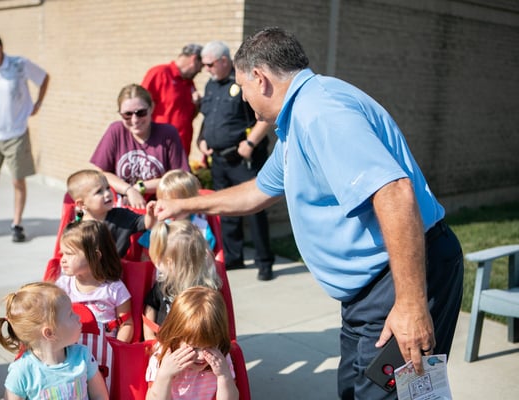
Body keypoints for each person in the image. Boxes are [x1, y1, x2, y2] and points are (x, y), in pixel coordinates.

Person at [155, 27, 464, 399]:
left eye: (243, 88)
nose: (245, 100)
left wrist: (411, 304)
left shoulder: (322, 112)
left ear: (260, 78)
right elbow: (256, 192)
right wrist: (183, 205)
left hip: (398, 281)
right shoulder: (297, 118)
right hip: (366, 295)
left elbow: (395, 193)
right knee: (354, 391)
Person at [197, 40, 274, 281]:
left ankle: (264, 262)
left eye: (209, 64)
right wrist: (202, 139)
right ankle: (234, 256)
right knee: (226, 209)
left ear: (222, 61)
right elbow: (207, 118)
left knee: (254, 210)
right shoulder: (211, 85)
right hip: (219, 160)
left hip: (242, 159)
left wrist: (250, 144)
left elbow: (266, 116)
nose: (206, 69)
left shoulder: (241, 82)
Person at [0, 31, 50, 242]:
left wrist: (37, 104)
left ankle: (16, 224)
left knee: (17, 181)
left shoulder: (19, 65)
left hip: (16, 133)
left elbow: (44, 78)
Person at [0, 282, 108, 399]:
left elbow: (100, 395)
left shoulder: (82, 356)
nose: (78, 317)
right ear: (50, 333)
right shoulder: (22, 372)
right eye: (70, 314)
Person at [90, 84, 190, 210]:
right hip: (122, 210)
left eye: (141, 113)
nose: (135, 119)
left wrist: (140, 187)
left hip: (161, 210)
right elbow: (101, 174)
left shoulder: (168, 134)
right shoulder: (116, 130)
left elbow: (181, 178)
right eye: (127, 114)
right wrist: (129, 190)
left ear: (152, 108)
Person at [145, 286, 238, 400]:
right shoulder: (162, 357)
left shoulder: (220, 358)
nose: (201, 356)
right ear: (176, 338)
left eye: (209, 347)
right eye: (194, 348)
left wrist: (224, 376)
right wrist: (165, 375)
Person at [56, 220, 134, 342]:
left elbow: (126, 323)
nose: (63, 260)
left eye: (69, 254)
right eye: (62, 254)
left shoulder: (114, 289)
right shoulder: (63, 286)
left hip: (104, 351)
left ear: (95, 256)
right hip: (71, 350)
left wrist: (118, 348)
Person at [143, 220, 221, 341]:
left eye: (160, 260)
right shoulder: (164, 284)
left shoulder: (204, 294)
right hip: (162, 343)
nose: (156, 263)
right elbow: (151, 306)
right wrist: (149, 336)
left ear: (172, 264)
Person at [66, 169, 153, 258]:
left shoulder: (122, 216)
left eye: (108, 188)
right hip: (86, 269)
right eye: (99, 191)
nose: (107, 193)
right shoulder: (77, 226)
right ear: (82, 204)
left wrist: (150, 214)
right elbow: (68, 251)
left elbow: (145, 223)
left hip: (115, 269)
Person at [141, 44, 203, 156]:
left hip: (182, 149)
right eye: (201, 66)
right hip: (160, 146)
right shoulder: (159, 73)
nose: (200, 71)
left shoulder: (190, 83)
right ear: (194, 59)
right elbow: (140, 106)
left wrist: (196, 105)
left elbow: (189, 117)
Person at [138, 169, 216, 251]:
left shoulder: (200, 227)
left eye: (173, 204)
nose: (169, 209)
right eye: (164, 203)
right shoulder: (160, 226)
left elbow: (209, 254)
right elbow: (146, 253)